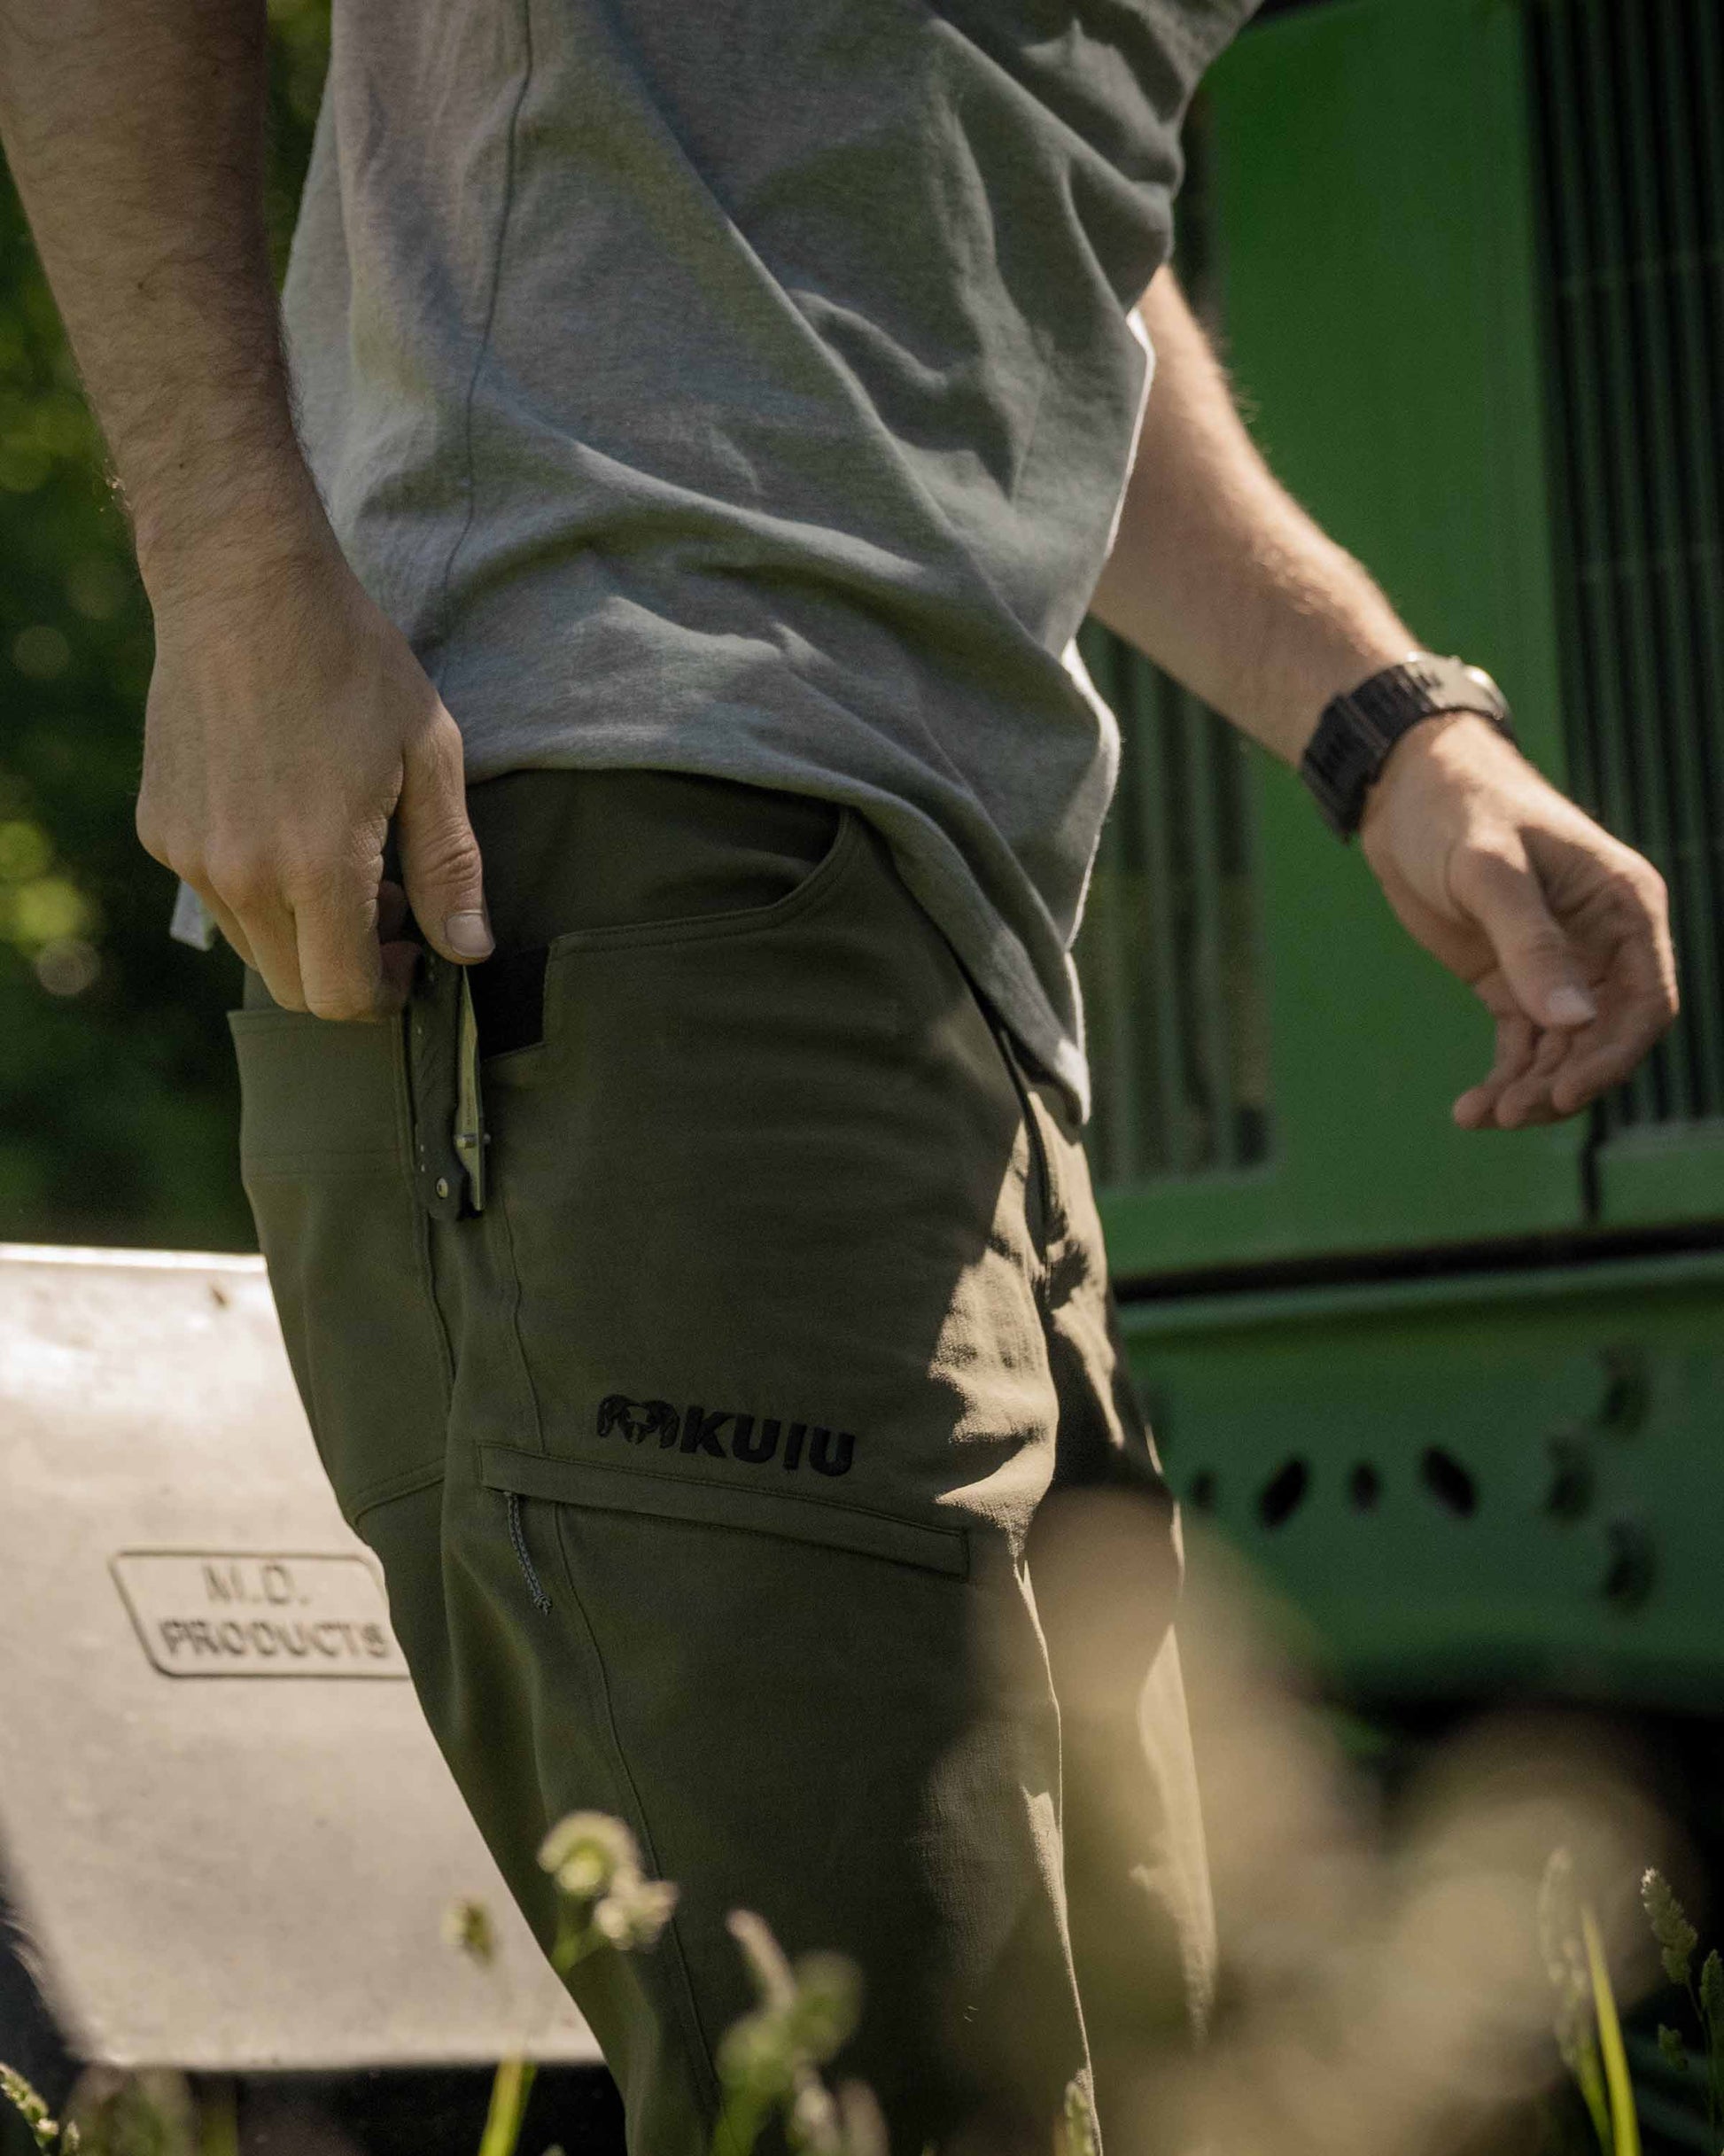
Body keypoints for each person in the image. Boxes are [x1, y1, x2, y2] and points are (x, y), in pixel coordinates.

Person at [0, 2, 1677, 2149]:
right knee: (899, 2097)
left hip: (976, 986)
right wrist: (232, 575)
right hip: (613, 858)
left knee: (1153, 2080)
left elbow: (1015, 198)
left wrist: (1382, 720)